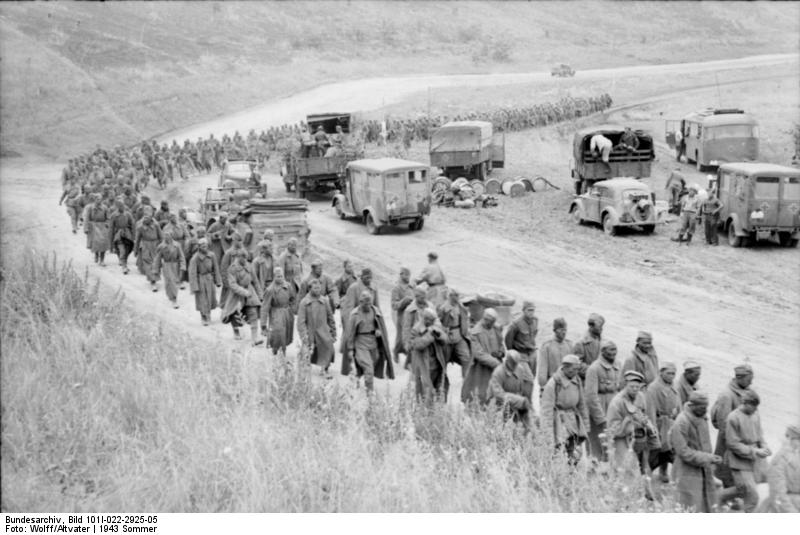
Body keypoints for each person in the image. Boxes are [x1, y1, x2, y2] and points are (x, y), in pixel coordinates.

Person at [670, 391, 723, 513]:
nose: (706, 410)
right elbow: (683, 451)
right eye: (702, 407)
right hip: (686, 472)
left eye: (706, 407)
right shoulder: (682, 422)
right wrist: (707, 458)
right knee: (689, 507)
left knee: (707, 504)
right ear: (692, 405)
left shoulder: (701, 417)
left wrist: (711, 459)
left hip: (704, 470)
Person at [606, 370, 660, 478]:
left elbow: (644, 414)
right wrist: (631, 424)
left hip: (638, 438)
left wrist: (648, 426)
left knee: (645, 466)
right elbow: (613, 428)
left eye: (637, 387)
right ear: (625, 385)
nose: (635, 389)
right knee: (628, 468)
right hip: (621, 438)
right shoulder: (617, 402)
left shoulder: (640, 397)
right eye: (631, 386)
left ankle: (643, 486)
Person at [724, 390, 770, 513]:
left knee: (745, 490)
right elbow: (732, 444)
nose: (756, 409)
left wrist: (764, 446)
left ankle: (718, 496)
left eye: (757, 406)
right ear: (745, 403)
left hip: (754, 460)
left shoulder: (755, 414)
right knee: (752, 496)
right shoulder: (733, 417)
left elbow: (760, 434)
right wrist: (755, 451)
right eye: (753, 405)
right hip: (739, 462)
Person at [711, 364, 755, 490]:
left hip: (742, 442)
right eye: (749, 379)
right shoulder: (727, 395)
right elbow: (723, 424)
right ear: (739, 377)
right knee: (727, 472)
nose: (751, 382)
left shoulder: (747, 392)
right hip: (729, 444)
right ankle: (726, 495)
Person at [341, 291, 395, 391]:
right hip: (360, 343)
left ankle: (356, 378)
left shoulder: (375, 311)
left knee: (372, 363)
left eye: (370, 303)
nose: (369, 306)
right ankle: (369, 392)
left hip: (373, 342)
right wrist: (350, 349)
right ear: (361, 302)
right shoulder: (355, 315)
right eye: (366, 304)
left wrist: (378, 330)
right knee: (369, 368)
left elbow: (380, 325)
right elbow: (350, 333)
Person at [540, 354, 589, 463]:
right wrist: (547, 434)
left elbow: (582, 404)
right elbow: (546, 411)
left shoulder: (577, 380)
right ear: (565, 367)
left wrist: (585, 424)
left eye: (577, 369)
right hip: (559, 421)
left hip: (573, 420)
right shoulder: (553, 383)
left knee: (575, 451)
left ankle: (572, 469)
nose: (576, 372)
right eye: (573, 369)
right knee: (559, 451)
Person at [584, 340, 622, 461]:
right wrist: (600, 418)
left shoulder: (618, 365)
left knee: (613, 444)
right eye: (610, 350)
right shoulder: (594, 368)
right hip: (600, 410)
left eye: (615, 350)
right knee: (597, 445)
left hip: (613, 410)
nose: (613, 353)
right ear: (603, 351)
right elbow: (590, 396)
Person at [461, 309, 505, 406]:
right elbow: (479, 354)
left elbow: (501, 344)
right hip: (480, 369)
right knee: (479, 394)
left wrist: (501, 352)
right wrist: (497, 364)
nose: (488, 323)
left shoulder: (496, 328)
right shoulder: (474, 332)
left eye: (491, 321)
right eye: (486, 320)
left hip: (496, 367)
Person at [646, 362, 680, 483]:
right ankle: (646, 475)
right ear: (661, 373)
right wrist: (653, 429)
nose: (671, 376)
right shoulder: (653, 388)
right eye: (668, 373)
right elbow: (650, 410)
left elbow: (679, 404)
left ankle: (663, 472)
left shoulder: (674, 385)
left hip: (671, 423)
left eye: (673, 374)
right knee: (656, 451)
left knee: (670, 449)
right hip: (659, 423)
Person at [221, 249, 263, 345]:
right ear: (238, 257)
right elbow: (232, 284)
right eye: (243, 257)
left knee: (253, 313)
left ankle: (254, 338)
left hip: (250, 292)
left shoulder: (249, 266)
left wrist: (260, 295)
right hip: (237, 294)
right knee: (234, 314)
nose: (245, 259)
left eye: (246, 257)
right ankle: (236, 330)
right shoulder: (232, 268)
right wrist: (244, 292)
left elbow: (255, 281)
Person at [297, 278, 337, 376]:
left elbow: (330, 317)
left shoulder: (324, 301)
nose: (318, 290)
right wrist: (304, 335)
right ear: (310, 289)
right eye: (315, 288)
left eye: (319, 288)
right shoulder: (304, 302)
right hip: (310, 331)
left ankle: (325, 369)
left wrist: (333, 332)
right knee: (307, 352)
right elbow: (301, 322)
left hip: (323, 330)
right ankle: (305, 371)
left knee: (328, 348)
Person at [408, 308, 449, 402]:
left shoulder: (435, 326)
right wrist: (429, 336)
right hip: (424, 365)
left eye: (433, 320)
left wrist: (439, 335)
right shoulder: (416, 329)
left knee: (441, 390)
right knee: (425, 394)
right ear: (425, 319)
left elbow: (446, 340)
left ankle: (438, 409)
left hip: (437, 364)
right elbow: (415, 345)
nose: (433, 322)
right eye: (431, 320)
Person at [487, 350, 533, 431]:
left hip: (514, 405)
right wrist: (518, 400)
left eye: (516, 363)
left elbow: (521, 389)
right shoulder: (498, 373)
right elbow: (498, 395)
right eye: (513, 363)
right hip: (499, 406)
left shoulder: (520, 369)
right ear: (507, 361)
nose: (515, 366)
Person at [760, 425, 800, 512]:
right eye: (798, 440)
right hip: (784, 507)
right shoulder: (780, 460)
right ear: (789, 440)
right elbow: (777, 494)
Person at [260, 267, 296, 355]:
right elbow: (264, 307)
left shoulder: (288, 286)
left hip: (286, 313)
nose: (280, 278)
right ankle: (275, 351)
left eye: (281, 276)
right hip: (276, 313)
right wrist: (263, 324)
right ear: (274, 277)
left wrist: (291, 310)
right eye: (278, 276)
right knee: (277, 333)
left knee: (286, 334)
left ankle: (283, 352)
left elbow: (292, 298)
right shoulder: (270, 290)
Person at [437, 288, 472, 377]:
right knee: (443, 360)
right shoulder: (443, 308)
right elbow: (438, 322)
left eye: (457, 295)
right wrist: (442, 330)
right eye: (454, 295)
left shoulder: (460, 306)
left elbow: (465, 319)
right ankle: (442, 380)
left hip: (459, 335)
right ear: (450, 296)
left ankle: (466, 380)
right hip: (447, 336)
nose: (456, 298)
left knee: (466, 357)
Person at [503, 300, 538, 388]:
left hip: (532, 353)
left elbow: (534, 335)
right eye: (529, 310)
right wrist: (513, 354)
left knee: (531, 378)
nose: (531, 312)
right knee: (528, 378)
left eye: (533, 310)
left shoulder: (535, 321)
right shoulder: (516, 324)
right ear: (523, 310)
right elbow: (508, 339)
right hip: (521, 354)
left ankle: (523, 393)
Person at [187, 237, 221, 326]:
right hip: (200, 280)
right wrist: (194, 286)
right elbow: (192, 273)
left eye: (206, 246)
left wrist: (218, 281)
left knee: (210, 298)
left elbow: (216, 268)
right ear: (199, 247)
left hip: (209, 279)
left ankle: (208, 315)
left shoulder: (212, 255)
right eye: (202, 246)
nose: (205, 248)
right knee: (202, 299)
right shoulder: (195, 258)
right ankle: (203, 316)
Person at [152, 231, 187, 309]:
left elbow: (181, 256)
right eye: (165, 235)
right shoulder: (161, 246)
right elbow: (157, 258)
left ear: (171, 236)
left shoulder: (177, 245)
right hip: (166, 265)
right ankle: (171, 296)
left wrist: (183, 266)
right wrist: (155, 269)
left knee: (173, 282)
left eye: (168, 235)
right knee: (168, 283)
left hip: (175, 265)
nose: (166, 237)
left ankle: (174, 299)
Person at [537, 317, 572, 394]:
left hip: (566, 385)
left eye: (565, 330)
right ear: (555, 330)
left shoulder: (569, 345)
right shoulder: (547, 346)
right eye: (561, 330)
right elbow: (543, 370)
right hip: (552, 384)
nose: (564, 332)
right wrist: (543, 388)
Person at [390, 266, 415, 363]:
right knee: (401, 338)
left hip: (412, 316)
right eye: (406, 275)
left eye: (409, 275)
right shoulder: (396, 289)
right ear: (401, 275)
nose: (408, 277)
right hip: (402, 316)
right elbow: (394, 305)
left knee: (411, 337)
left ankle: (409, 360)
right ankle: (396, 351)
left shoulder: (412, 287)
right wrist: (404, 301)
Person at [133, 207, 162, 291]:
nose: (145, 219)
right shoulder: (140, 227)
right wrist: (135, 250)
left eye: (147, 217)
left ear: (151, 218)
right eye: (144, 217)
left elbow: (161, 236)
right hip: (145, 246)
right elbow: (137, 239)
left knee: (156, 263)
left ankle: (155, 278)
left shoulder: (156, 225)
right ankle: (153, 282)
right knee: (148, 264)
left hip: (155, 245)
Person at [573, 313, 604, 381]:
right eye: (600, 326)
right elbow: (576, 365)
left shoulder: (599, 339)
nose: (602, 328)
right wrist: (594, 371)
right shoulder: (580, 343)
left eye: (602, 326)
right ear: (591, 326)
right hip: (584, 380)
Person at [109, 200, 135, 275]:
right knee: (122, 250)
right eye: (120, 205)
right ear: (117, 206)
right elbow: (111, 228)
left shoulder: (128, 214)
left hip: (127, 234)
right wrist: (111, 240)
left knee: (127, 250)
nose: (122, 207)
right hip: (118, 234)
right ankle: (124, 266)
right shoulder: (114, 215)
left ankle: (124, 262)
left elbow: (132, 225)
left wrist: (133, 236)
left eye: (123, 205)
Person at [86, 195, 111, 266]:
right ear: (95, 199)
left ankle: (102, 260)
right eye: (97, 199)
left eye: (100, 199)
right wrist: (86, 228)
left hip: (102, 226)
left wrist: (107, 224)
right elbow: (87, 218)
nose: (99, 201)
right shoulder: (90, 207)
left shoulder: (105, 207)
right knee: (96, 242)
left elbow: (108, 218)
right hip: (93, 226)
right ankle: (96, 254)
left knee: (103, 243)